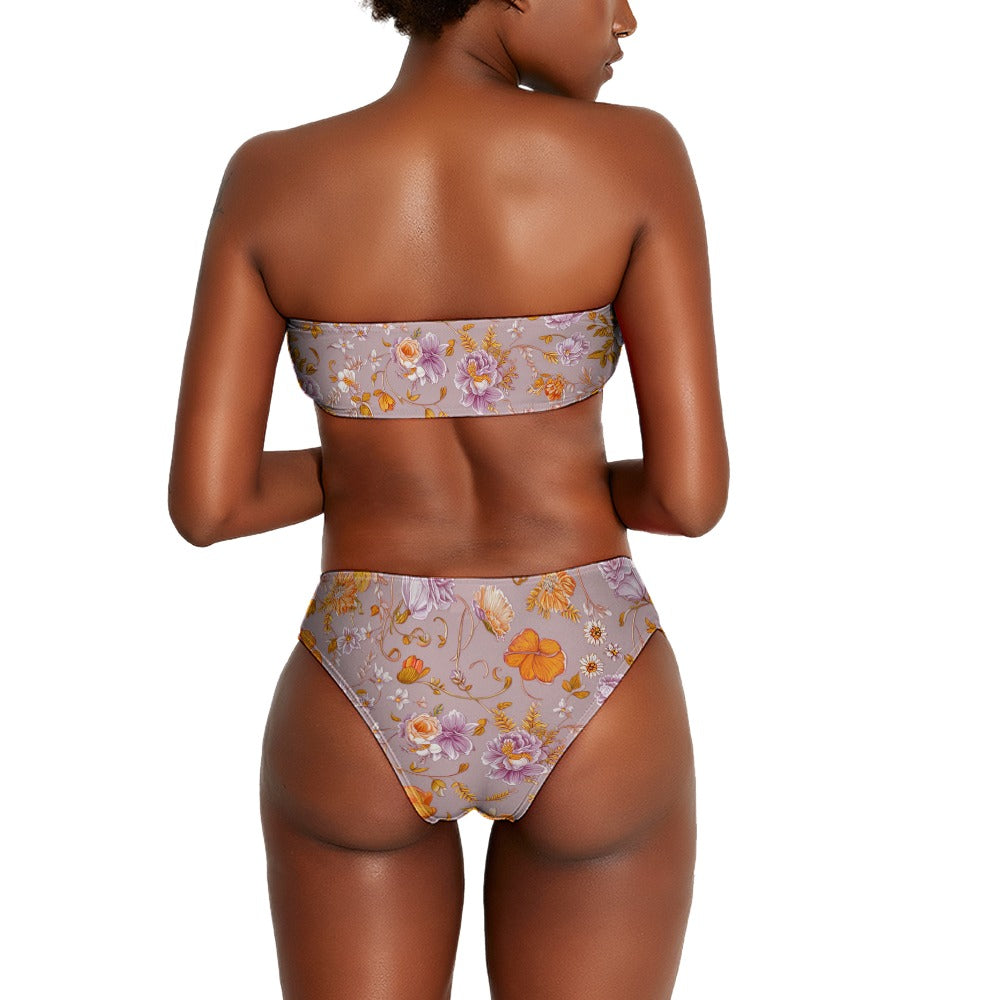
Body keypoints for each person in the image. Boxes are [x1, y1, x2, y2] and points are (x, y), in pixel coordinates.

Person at [168, 0, 729, 995]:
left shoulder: (271, 177)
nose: (627, 17)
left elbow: (211, 506)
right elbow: (689, 500)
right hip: (591, 663)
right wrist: (562, 480)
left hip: (364, 668)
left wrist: (367, 466)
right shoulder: (636, 157)